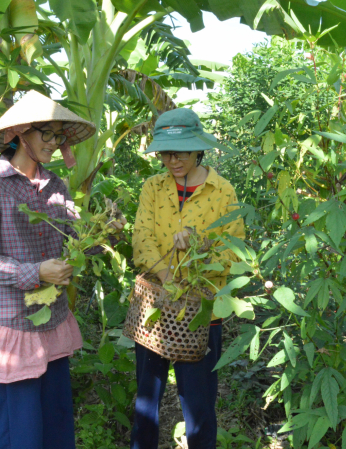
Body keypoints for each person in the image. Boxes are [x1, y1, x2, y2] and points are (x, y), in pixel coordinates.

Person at [0, 90, 125, 449]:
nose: (55, 144)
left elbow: (74, 239)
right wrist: (36, 271)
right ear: (21, 133)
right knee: (16, 431)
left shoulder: (57, 186)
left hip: (52, 321)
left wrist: (102, 233)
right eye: (47, 134)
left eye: (59, 136)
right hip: (14, 327)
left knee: (54, 426)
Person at [131, 107, 245, 449]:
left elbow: (234, 252)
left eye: (179, 152)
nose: (172, 160)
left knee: (198, 405)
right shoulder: (153, 187)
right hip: (154, 306)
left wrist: (200, 244)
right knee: (146, 402)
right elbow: (141, 240)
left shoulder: (222, 191)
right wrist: (168, 278)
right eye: (165, 152)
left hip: (200, 311)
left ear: (198, 148)